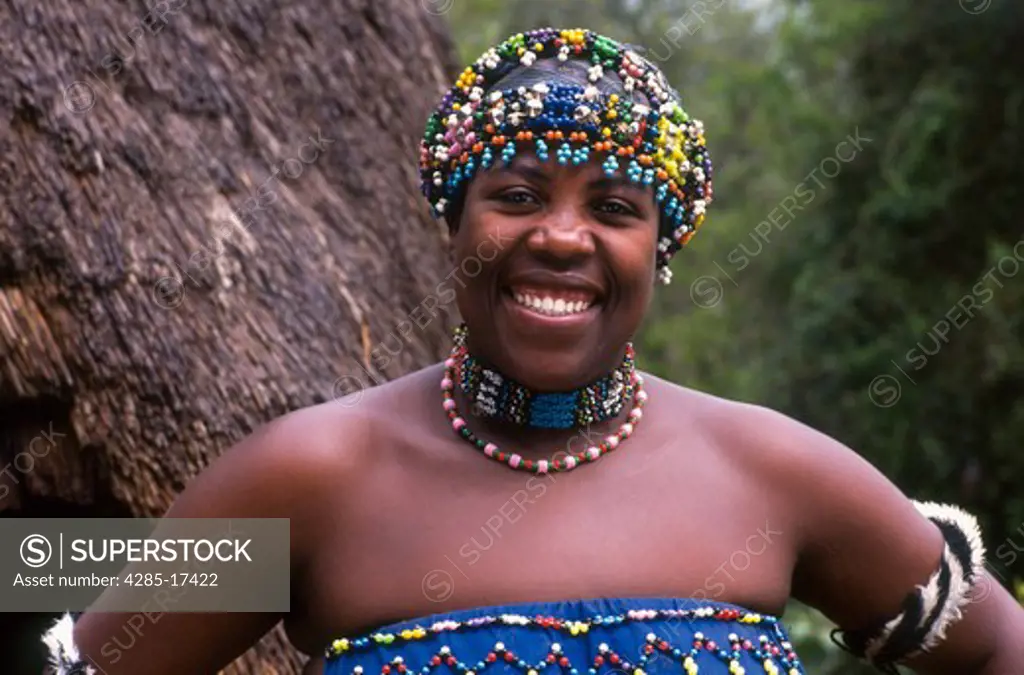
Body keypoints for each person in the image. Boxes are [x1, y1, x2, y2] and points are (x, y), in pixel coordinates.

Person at [49, 27, 1023, 675]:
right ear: (455, 224)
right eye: (516, 196)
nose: (562, 237)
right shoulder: (310, 477)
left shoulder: (771, 471)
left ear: (659, 247)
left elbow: (990, 649)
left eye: (613, 208)